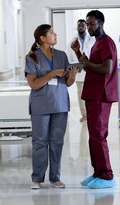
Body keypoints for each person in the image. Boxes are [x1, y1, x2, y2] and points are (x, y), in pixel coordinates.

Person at [25, 24, 79, 190]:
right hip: (41, 105)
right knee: (40, 142)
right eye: (51, 32)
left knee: (57, 142)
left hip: (60, 105)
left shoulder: (62, 56)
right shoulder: (32, 58)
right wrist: (52, 73)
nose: (55, 34)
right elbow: (34, 84)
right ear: (42, 38)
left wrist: (73, 75)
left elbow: (68, 83)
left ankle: (55, 178)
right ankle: (36, 178)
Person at [71, 10, 118, 189]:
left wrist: (86, 62)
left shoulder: (106, 42)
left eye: (91, 24)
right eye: (87, 24)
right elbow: (90, 66)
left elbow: (106, 68)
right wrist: (77, 53)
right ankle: (97, 172)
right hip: (93, 94)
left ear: (101, 24)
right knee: (93, 137)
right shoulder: (97, 43)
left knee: (99, 136)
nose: (88, 27)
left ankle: (107, 176)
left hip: (101, 95)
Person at [67, 19, 95, 122]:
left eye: (83, 25)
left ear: (85, 27)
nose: (81, 27)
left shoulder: (92, 39)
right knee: (81, 95)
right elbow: (69, 56)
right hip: (78, 72)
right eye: (79, 25)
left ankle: (91, 113)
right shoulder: (71, 41)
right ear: (77, 27)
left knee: (91, 94)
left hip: (90, 70)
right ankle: (84, 114)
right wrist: (72, 68)